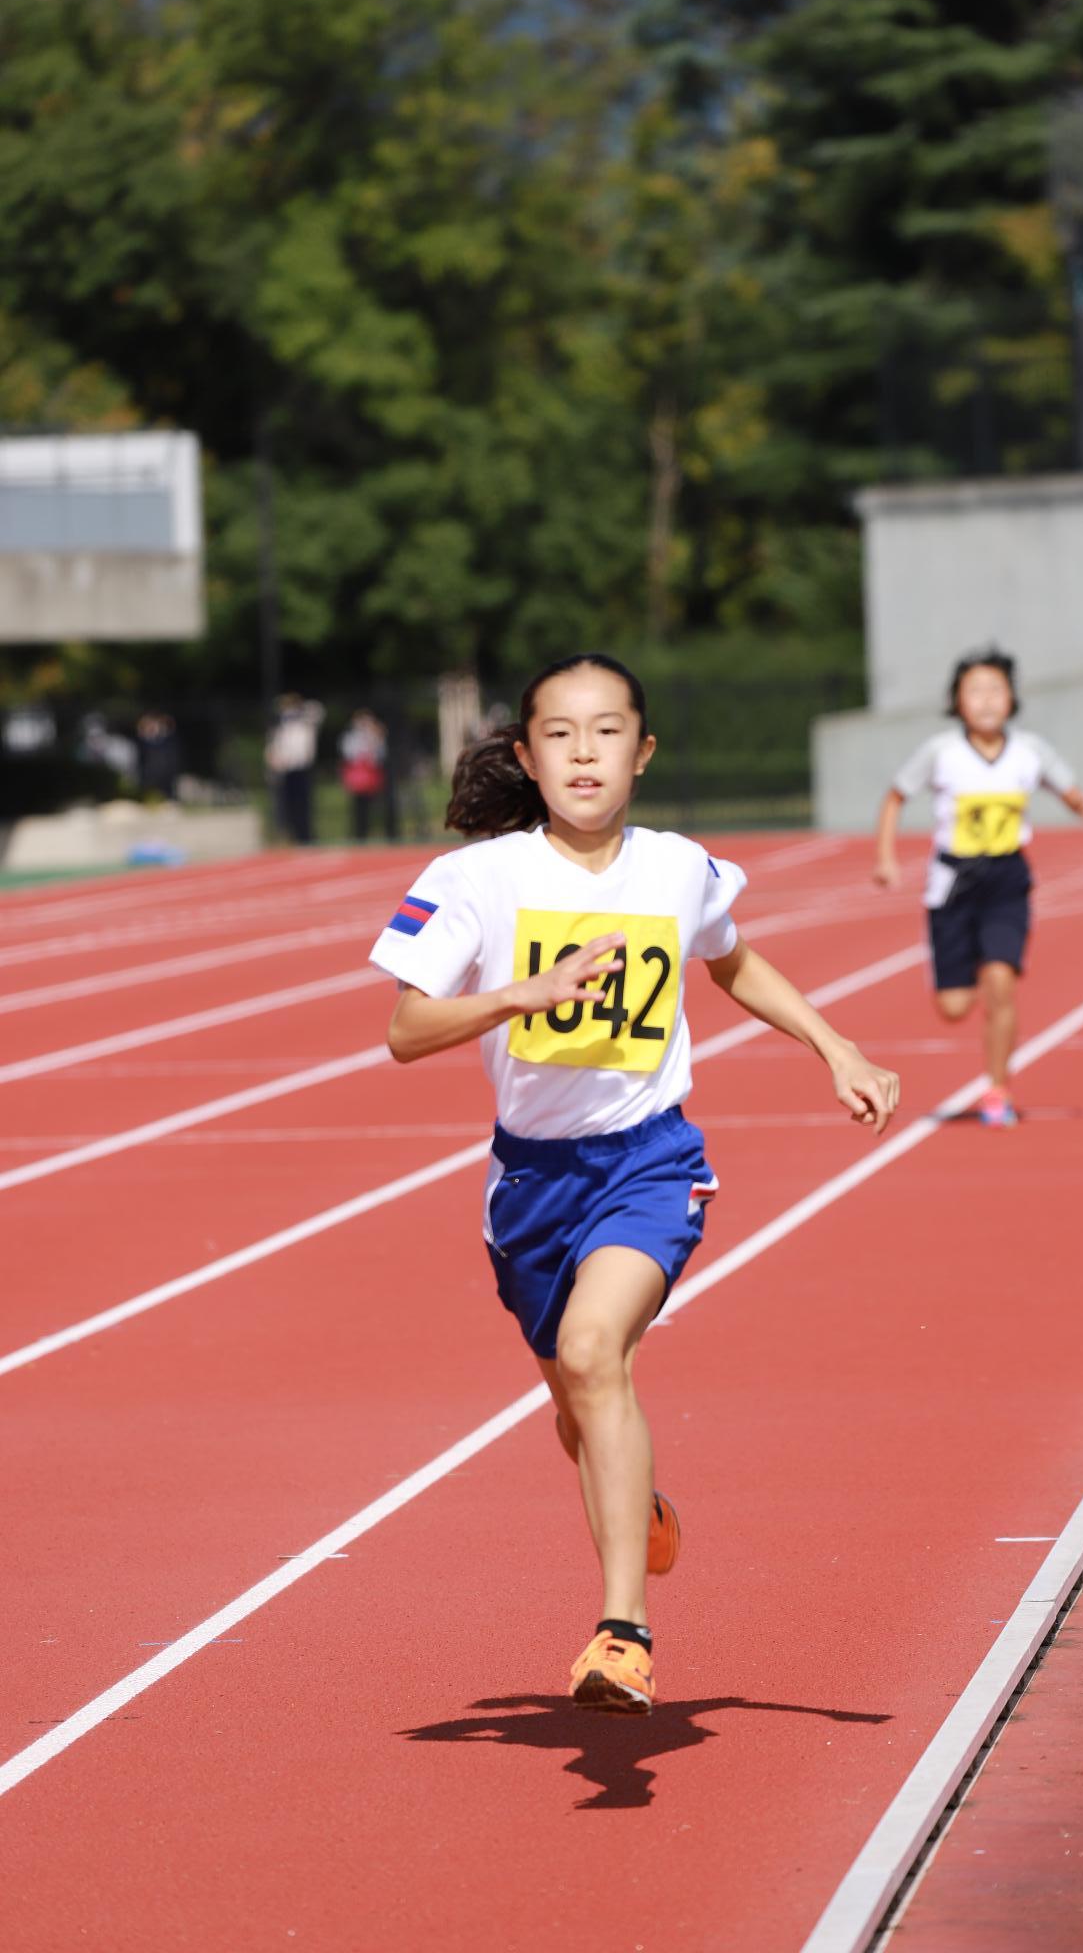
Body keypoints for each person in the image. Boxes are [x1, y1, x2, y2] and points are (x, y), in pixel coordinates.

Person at [369, 653, 900, 1715]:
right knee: (580, 1408)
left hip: (648, 1161)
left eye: (605, 731)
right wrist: (526, 990)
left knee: (591, 1350)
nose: (582, 753)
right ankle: (639, 1502)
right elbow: (404, 1029)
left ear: (642, 753)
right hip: (529, 1186)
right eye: (558, 734)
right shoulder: (476, 880)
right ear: (525, 755)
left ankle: (623, 1633)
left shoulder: (676, 868)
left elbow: (732, 960)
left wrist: (834, 1045)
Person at [872, 648, 1083, 1128]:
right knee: (954, 1007)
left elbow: (1067, 788)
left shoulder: (1030, 751)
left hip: (1006, 879)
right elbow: (895, 797)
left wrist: (1081, 803)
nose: (986, 699)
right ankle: (969, 963)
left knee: (1002, 984)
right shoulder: (941, 752)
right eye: (974, 690)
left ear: (1012, 698)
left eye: (995, 688)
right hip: (953, 885)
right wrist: (886, 858)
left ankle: (998, 1091)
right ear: (957, 701)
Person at [265, 694, 324, 845]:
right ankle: (292, 836)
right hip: (286, 770)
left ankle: (306, 836)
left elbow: (317, 711)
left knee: (304, 804)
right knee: (287, 806)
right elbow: (274, 748)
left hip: (302, 769)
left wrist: (299, 708)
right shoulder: (280, 728)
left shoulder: (305, 723)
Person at [339, 708, 388, 841]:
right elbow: (349, 754)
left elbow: (380, 755)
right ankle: (360, 834)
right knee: (358, 807)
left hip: (372, 776)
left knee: (377, 806)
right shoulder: (351, 736)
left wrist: (374, 737)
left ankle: (382, 833)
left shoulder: (376, 735)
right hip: (358, 776)